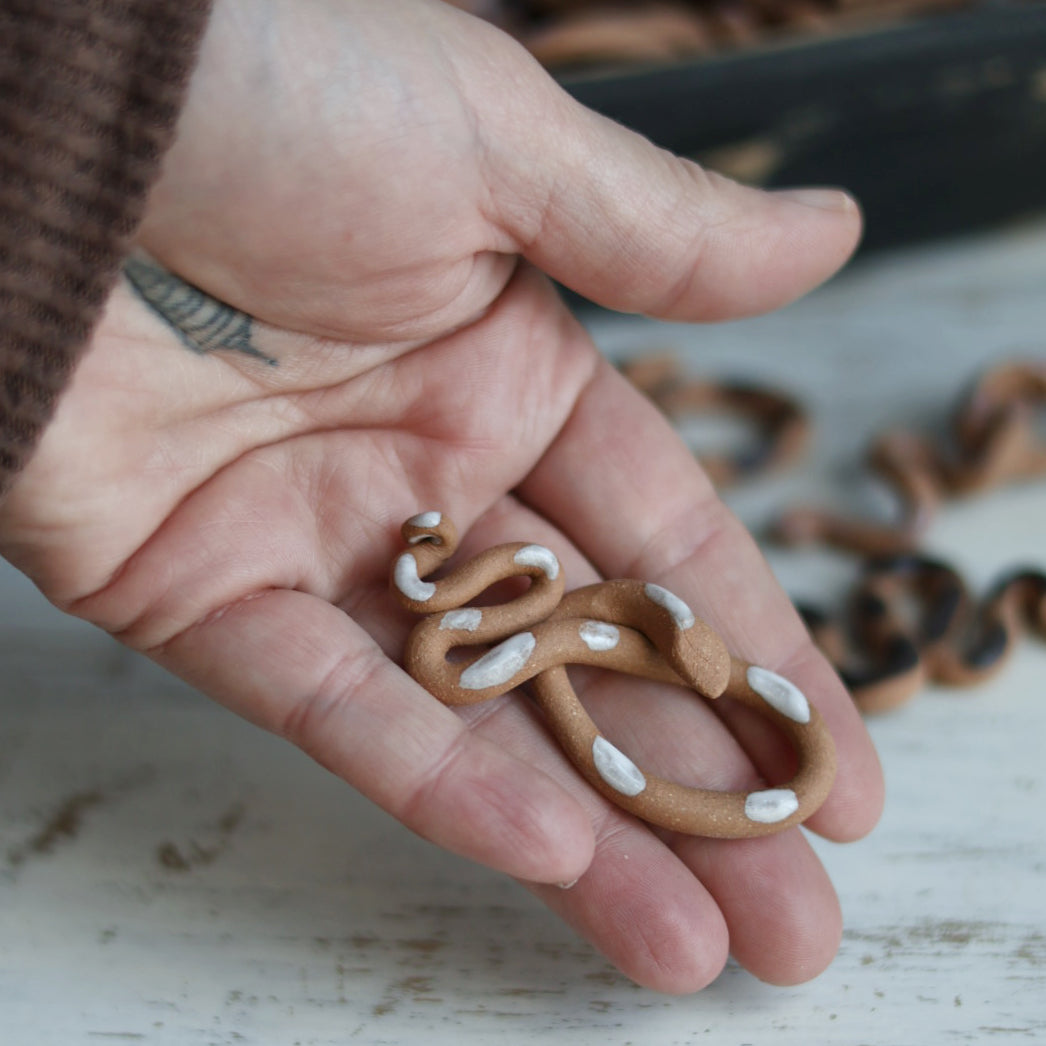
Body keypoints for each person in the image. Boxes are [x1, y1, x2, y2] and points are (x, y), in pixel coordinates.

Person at [0, 0, 883, 993]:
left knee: (630, 683)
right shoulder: (511, 598)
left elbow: (609, 622)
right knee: (573, 688)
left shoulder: (540, 596)